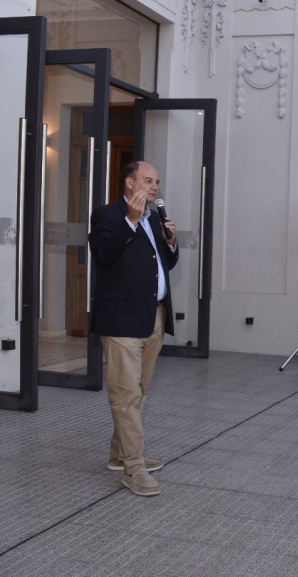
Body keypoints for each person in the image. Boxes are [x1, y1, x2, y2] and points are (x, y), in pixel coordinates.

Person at [89, 161, 178, 497]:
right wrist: (131, 221)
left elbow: (163, 264)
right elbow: (104, 254)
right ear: (129, 182)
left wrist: (170, 242)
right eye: (148, 180)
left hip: (153, 315)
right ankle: (134, 469)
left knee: (137, 392)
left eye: (157, 181)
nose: (154, 187)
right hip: (122, 319)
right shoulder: (107, 216)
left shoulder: (155, 218)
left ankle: (118, 454)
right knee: (125, 397)